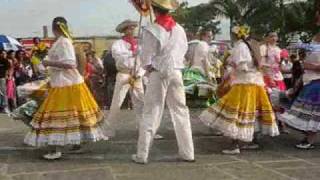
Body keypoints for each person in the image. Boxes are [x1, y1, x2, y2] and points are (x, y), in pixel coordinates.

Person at [24, 17, 108, 160]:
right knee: (74, 116)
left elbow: (70, 64)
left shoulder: (63, 42)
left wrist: (47, 62)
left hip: (66, 86)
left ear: (53, 28)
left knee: (55, 118)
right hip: (67, 84)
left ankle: (55, 149)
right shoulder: (63, 42)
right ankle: (77, 144)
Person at [200, 25, 279, 155]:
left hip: (244, 84)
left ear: (235, 35)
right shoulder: (252, 45)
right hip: (255, 83)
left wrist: (231, 68)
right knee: (251, 112)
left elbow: (242, 66)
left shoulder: (241, 46)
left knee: (237, 113)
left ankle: (234, 145)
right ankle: (252, 141)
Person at [132, 0, 195, 164]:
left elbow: (146, 55)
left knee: (151, 111)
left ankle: (142, 154)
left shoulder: (152, 29)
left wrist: (148, 66)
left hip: (159, 72)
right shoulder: (180, 29)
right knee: (181, 111)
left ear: (154, 8)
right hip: (176, 72)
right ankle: (188, 153)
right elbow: (184, 50)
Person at [279, 32, 320, 150]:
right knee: (309, 112)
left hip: (316, 82)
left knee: (313, 112)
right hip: (310, 79)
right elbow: (305, 63)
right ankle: (308, 137)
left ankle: (309, 139)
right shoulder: (314, 39)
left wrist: (311, 66)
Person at [106, 19, 145, 135]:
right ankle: (108, 129)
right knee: (117, 102)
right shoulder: (118, 44)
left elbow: (144, 61)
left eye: (133, 28)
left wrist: (140, 73)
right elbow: (117, 56)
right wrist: (131, 53)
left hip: (136, 75)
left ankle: (145, 130)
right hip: (124, 74)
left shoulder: (139, 44)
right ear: (124, 30)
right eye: (129, 28)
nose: (132, 30)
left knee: (141, 103)